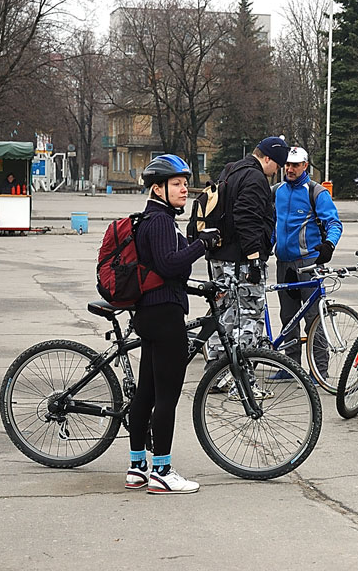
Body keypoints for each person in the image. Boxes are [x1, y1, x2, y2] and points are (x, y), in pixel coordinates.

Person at [125, 154, 221, 494]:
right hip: (165, 319)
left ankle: (137, 467)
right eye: (177, 184)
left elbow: (165, 272)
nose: (184, 189)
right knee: (166, 397)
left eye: (184, 183)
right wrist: (201, 243)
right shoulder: (161, 222)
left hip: (149, 314)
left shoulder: (151, 219)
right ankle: (162, 471)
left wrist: (199, 283)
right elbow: (169, 264)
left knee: (145, 394)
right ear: (157, 188)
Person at [202, 136, 289, 362]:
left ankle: (216, 372)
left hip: (220, 257)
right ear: (267, 158)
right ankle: (243, 381)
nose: (275, 172)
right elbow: (246, 218)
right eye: (276, 165)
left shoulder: (231, 170)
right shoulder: (255, 177)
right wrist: (254, 260)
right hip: (241, 260)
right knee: (249, 318)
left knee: (224, 316)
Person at [269, 146, 343, 381]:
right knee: (288, 317)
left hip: (309, 263)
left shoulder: (316, 192)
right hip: (284, 264)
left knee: (313, 318)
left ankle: (318, 370)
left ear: (305, 166)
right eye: (287, 165)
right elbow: (273, 225)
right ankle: (289, 367)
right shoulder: (277, 191)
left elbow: (334, 223)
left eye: (295, 165)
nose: (289, 169)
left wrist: (329, 245)